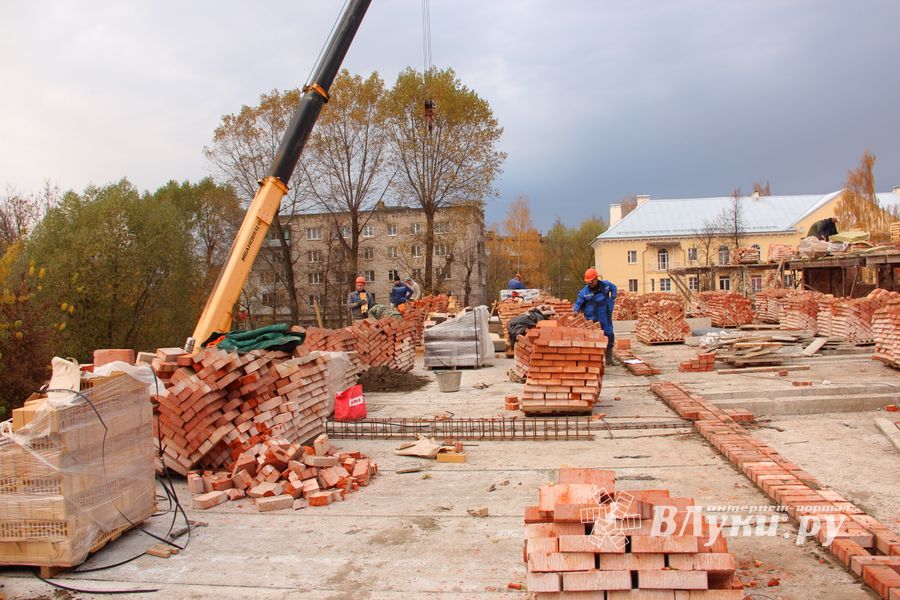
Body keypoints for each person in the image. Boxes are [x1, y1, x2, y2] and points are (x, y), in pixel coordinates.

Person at [573, 267, 618, 365]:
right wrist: (575, 311)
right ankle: (594, 361)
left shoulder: (605, 285)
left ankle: (609, 359)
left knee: (609, 335)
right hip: (592, 318)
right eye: (587, 282)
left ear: (596, 278)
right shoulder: (584, 292)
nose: (589, 283)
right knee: (593, 339)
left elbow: (614, 287)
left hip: (605, 316)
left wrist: (613, 297)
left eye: (591, 281)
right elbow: (578, 303)